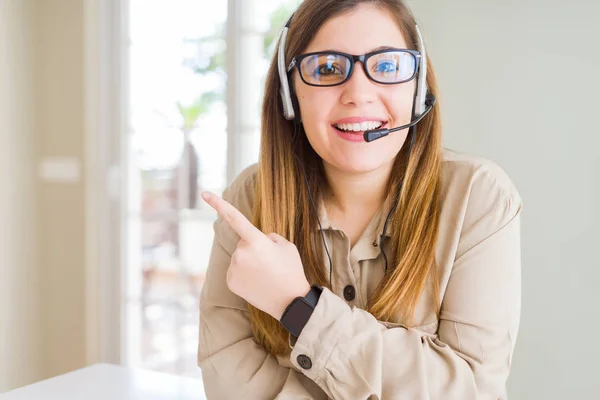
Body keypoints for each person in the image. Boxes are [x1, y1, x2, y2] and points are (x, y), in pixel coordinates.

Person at [197, 0, 522, 398]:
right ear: (289, 93)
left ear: (418, 88)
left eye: (386, 66)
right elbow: (228, 379)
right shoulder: (249, 199)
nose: (359, 94)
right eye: (328, 68)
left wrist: (299, 305)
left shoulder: (478, 197)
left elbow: (473, 391)